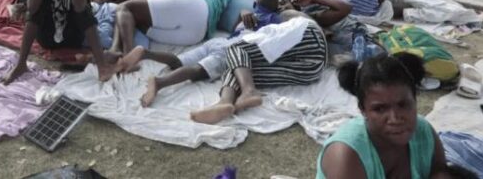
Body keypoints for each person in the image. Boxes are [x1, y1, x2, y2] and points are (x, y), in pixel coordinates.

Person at [119, 0, 280, 107]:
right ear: (276, 9)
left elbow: (233, 30)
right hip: (232, 50)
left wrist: (244, 12)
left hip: (219, 41)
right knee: (197, 71)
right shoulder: (275, 19)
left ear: (255, 4)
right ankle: (159, 83)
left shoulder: (246, 16)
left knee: (178, 62)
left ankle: (146, 53)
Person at [317, 53, 451, 179]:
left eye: (403, 105)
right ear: (363, 110)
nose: (394, 118)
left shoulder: (424, 133)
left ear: (415, 101)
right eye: (380, 109)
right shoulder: (346, 155)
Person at [190, 16, 327, 124]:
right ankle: (225, 103)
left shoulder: (286, 15)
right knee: (238, 69)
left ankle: (248, 91)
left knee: (235, 48)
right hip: (314, 70)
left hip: (309, 35)